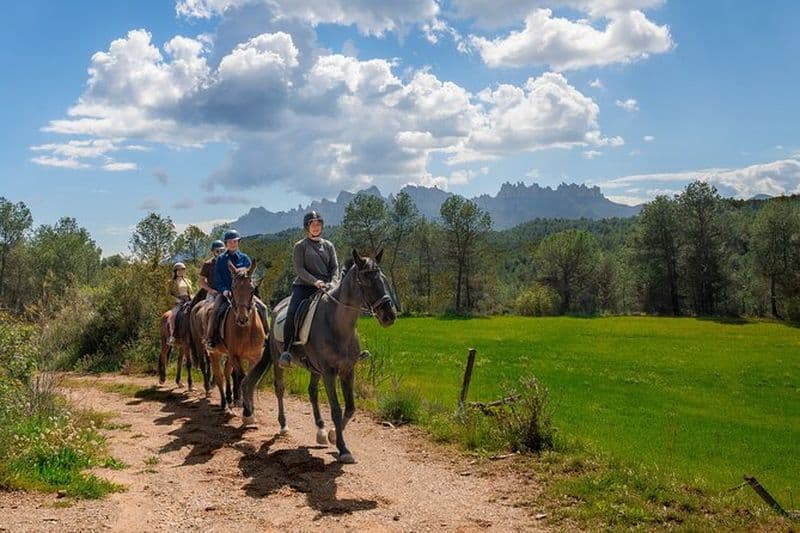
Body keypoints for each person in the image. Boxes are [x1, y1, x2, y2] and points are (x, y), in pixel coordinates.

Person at [278, 211, 340, 368]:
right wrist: (315, 281)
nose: (316, 227)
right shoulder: (300, 246)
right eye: (313, 224)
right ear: (307, 227)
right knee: (293, 312)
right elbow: (300, 269)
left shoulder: (328, 245)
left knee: (344, 309)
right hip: (304, 286)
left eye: (318, 224)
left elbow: (334, 267)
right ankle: (287, 351)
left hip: (327, 286)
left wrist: (333, 282)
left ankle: (350, 347)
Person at [205, 230, 268, 349]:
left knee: (263, 308)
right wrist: (224, 290)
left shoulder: (245, 258)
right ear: (226, 244)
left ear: (238, 242)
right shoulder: (221, 259)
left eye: (235, 241)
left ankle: (266, 337)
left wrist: (250, 287)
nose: (233, 244)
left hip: (244, 294)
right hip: (227, 293)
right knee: (215, 311)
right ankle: (211, 339)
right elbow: (217, 279)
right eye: (230, 242)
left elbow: (251, 277)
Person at [167, 262, 193, 346]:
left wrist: (193, 298)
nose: (181, 271)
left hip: (188, 300)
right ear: (175, 271)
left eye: (182, 270)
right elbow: (168, 295)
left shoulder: (188, 281)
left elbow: (191, 292)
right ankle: (172, 335)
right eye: (179, 270)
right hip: (178, 301)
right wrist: (177, 300)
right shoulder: (171, 282)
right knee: (173, 315)